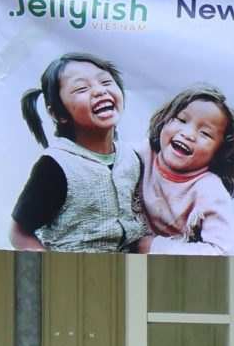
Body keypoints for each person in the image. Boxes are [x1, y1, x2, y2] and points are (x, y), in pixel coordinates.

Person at [8, 52, 144, 252]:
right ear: (59, 114)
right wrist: (51, 270)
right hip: (74, 273)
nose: (100, 91)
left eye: (106, 82)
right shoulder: (55, 165)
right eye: (82, 88)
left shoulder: (131, 158)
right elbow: (19, 233)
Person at [134, 84, 234, 255]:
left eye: (205, 133)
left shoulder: (209, 191)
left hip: (177, 269)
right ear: (164, 120)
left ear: (220, 152)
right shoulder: (143, 153)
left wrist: (155, 247)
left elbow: (226, 252)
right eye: (181, 120)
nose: (188, 134)